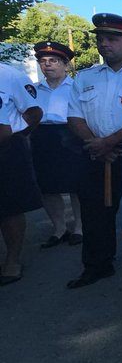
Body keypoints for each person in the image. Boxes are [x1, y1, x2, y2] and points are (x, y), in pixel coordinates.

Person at [65, 14, 122, 289]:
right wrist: (97, 145)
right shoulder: (85, 76)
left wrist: (111, 141)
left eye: (112, 39)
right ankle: (98, 265)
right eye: (100, 39)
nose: (104, 44)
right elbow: (74, 116)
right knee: (95, 214)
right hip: (96, 155)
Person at [31, 41, 85, 248]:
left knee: (76, 185)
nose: (47, 65)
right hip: (42, 137)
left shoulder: (77, 87)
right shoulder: (33, 90)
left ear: (66, 65)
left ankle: (79, 227)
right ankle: (59, 228)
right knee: (48, 187)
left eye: (53, 60)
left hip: (70, 134)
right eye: (43, 61)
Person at [0, 62, 44, 286]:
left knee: (10, 207)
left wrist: (20, 136)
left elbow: (34, 112)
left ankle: (13, 260)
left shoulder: (9, 75)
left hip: (6, 149)